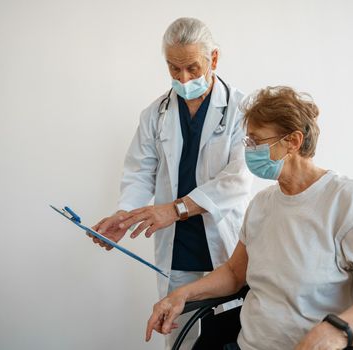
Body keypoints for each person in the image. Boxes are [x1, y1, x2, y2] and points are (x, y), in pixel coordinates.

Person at [145, 86, 353, 350]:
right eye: (247, 141)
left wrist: (332, 333)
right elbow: (235, 273)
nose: (248, 150)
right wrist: (181, 294)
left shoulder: (349, 201)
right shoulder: (262, 205)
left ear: (292, 142)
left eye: (256, 141)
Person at [89, 17, 252, 349]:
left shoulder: (241, 109)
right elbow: (138, 172)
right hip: (177, 253)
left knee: (231, 339)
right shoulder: (156, 113)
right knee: (181, 340)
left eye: (192, 67)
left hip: (226, 249)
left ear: (214, 59)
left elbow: (238, 179)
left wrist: (176, 209)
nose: (183, 78)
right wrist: (124, 217)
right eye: (173, 68)